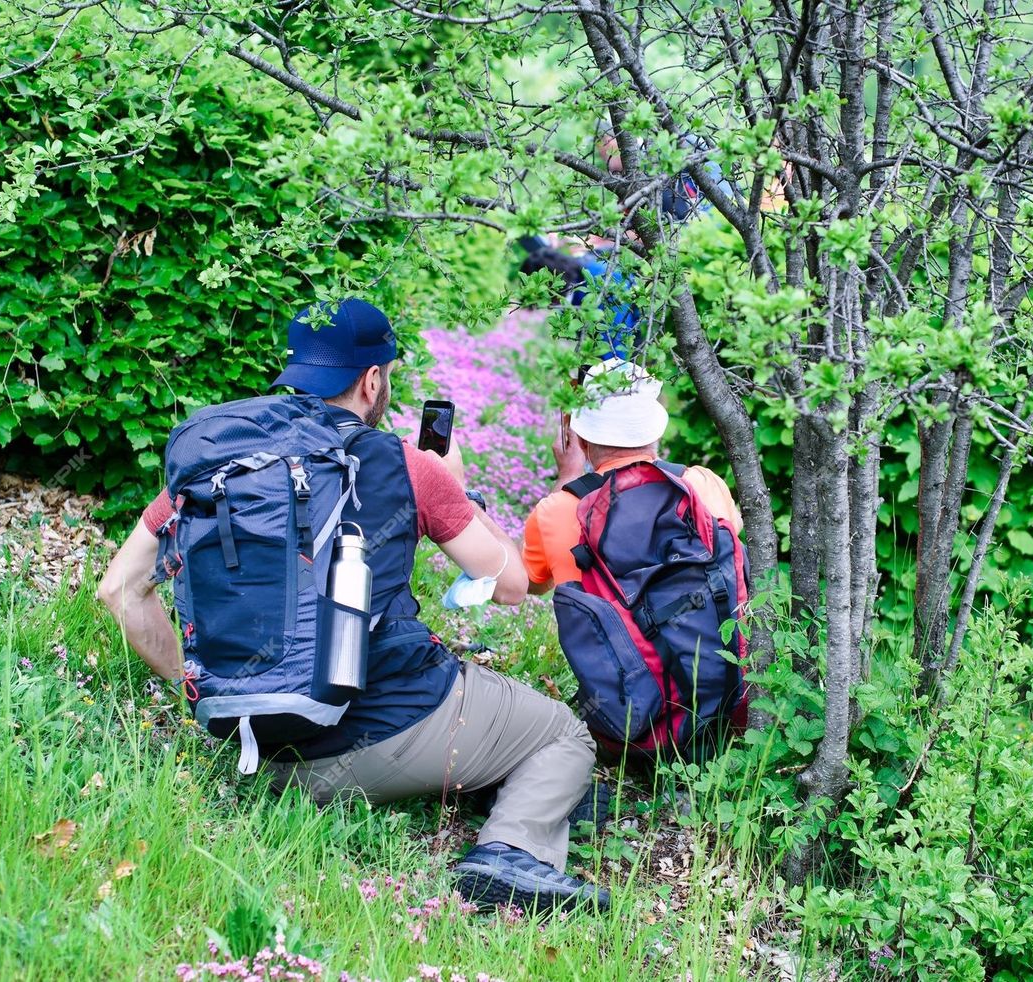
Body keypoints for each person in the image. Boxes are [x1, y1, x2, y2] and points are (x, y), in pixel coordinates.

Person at [97, 298, 608, 912]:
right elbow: (512, 585)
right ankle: (510, 854)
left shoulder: (222, 456)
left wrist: (205, 683)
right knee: (562, 735)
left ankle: (477, 782)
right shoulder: (407, 463)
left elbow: (120, 590)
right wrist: (457, 487)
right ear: (372, 381)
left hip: (255, 743)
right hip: (388, 728)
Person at [522, 360, 748, 760]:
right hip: (727, 717)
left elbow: (532, 582)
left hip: (630, 737)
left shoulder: (557, 511)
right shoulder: (703, 485)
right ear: (655, 429)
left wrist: (568, 478)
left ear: (579, 436)